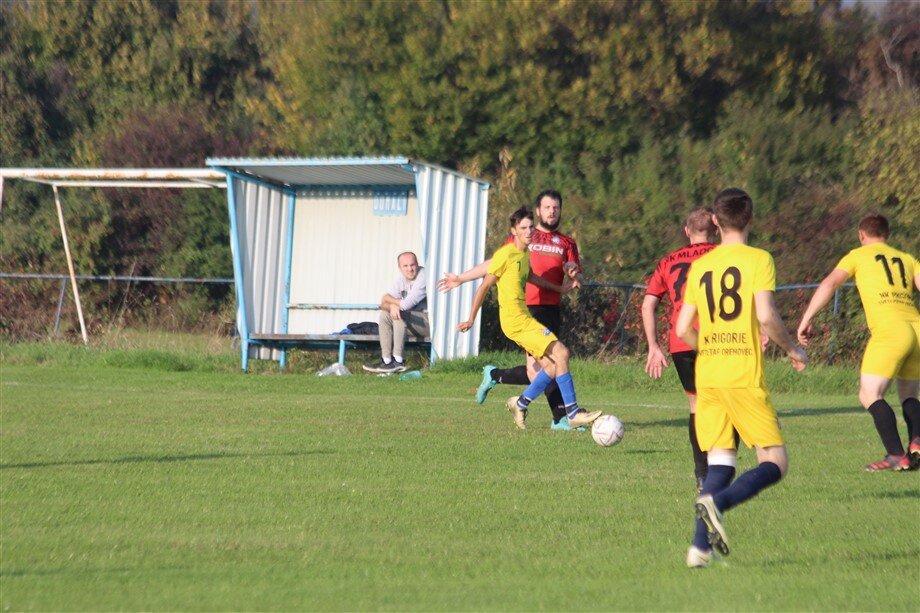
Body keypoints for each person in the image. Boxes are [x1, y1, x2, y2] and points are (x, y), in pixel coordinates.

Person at [674, 188, 807, 568]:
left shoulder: (703, 265)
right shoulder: (759, 259)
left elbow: (684, 328)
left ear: (715, 221)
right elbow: (765, 316)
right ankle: (719, 502)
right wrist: (794, 350)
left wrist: (711, 346)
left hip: (709, 376)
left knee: (720, 465)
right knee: (775, 462)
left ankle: (699, 550)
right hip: (742, 375)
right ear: (750, 219)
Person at [439, 189, 584, 430]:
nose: (552, 211)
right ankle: (562, 414)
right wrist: (462, 279)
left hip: (548, 309)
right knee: (547, 363)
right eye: (547, 207)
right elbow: (492, 266)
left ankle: (501, 381)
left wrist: (572, 276)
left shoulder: (565, 243)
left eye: (556, 207)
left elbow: (569, 272)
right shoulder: (520, 243)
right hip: (525, 312)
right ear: (538, 211)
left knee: (548, 365)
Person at [797, 213, 920, 472]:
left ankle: (897, 455)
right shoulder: (907, 259)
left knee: (869, 394)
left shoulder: (857, 255)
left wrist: (807, 317)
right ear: (887, 234)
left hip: (890, 329)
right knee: (909, 394)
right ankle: (916, 442)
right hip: (916, 328)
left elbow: (830, 283)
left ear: (861, 234)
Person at [642, 207, 718, 491]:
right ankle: (723, 466)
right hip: (719, 340)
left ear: (687, 231)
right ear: (717, 230)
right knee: (724, 401)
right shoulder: (724, 257)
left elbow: (648, 304)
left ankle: (702, 474)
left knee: (697, 405)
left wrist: (653, 346)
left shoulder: (667, 261)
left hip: (680, 341)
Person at [363, 251, 429, 374]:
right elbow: (383, 304)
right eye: (405, 266)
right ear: (400, 268)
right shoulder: (401, 279)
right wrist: (391, 304)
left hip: (428, 323)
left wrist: (391, 302)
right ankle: (387, 361)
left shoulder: (423, 276)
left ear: (417, 264)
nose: (410, 269)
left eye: (412, 265)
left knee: (398, 314)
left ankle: (398, 361)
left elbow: (405, 305)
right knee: (385, 315)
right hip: (410, 322)